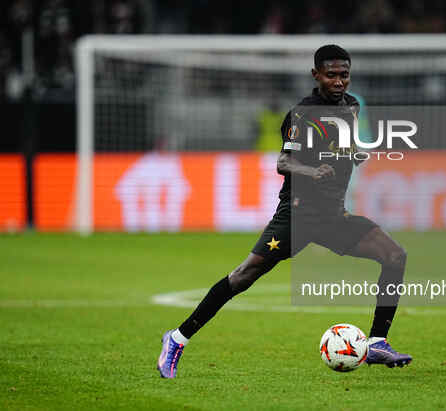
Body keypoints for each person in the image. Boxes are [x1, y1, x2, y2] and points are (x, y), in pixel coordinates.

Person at [157, 45, 412, 378]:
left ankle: (377, 341)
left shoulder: (351, 106)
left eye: (344, 74)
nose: (339, 81)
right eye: (331, 74)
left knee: (394, 256)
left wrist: (354, 153)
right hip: (298, 216)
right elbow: (283, 161)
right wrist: (312, 172)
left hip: (334, 216)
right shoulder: (301, 114)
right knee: (242, 277)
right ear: (316, 75)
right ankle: (177, 338)